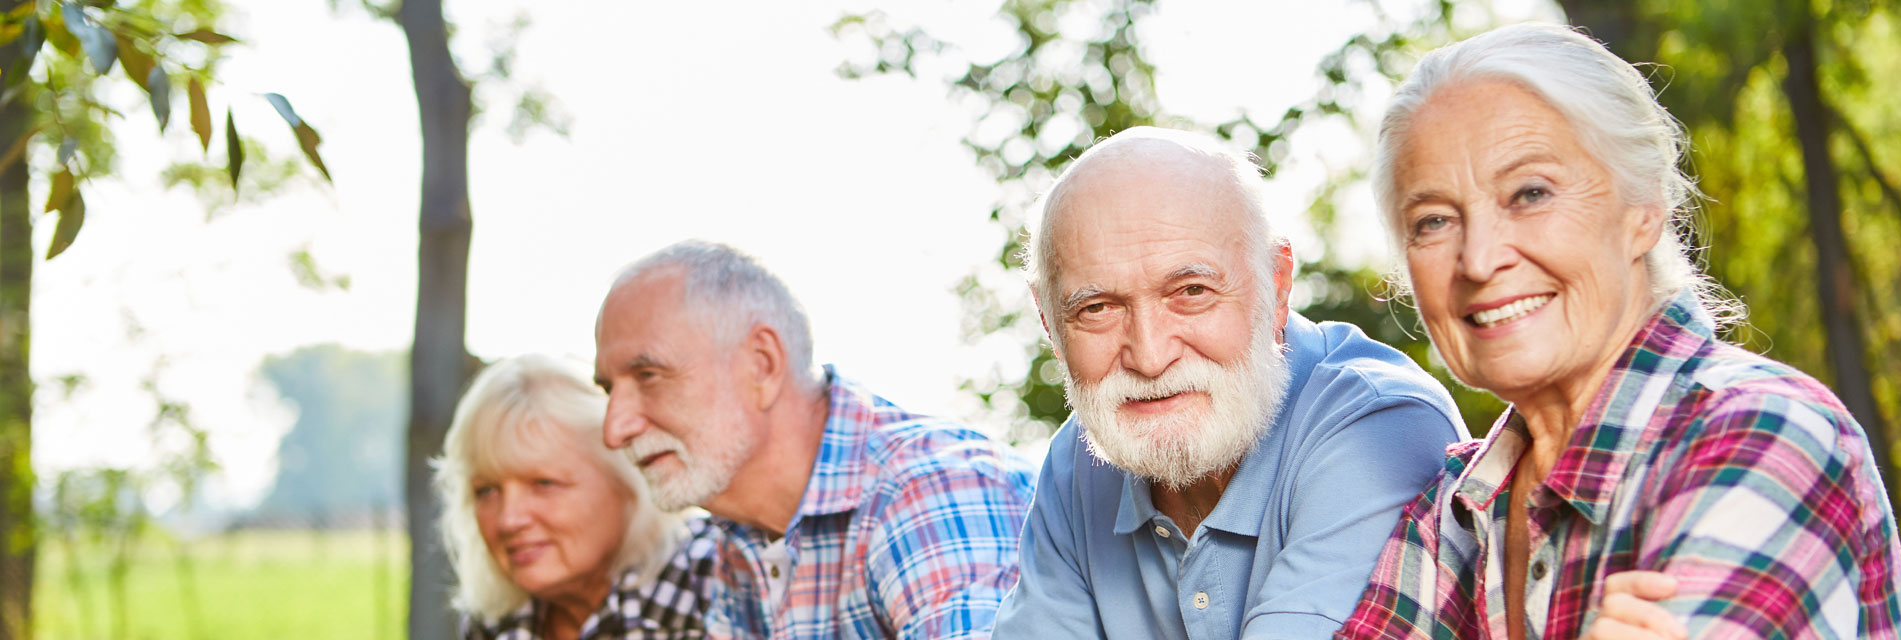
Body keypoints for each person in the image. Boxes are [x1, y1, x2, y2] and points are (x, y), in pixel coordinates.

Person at [1337, 23, 1901, 639]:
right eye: (1433, 221)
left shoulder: (1760, 432)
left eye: (1530, 193)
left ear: (1644, 211)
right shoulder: (1453, 506)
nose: (1479, 260)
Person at [990, 126, 1469, 639]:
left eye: (1192, 291)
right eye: (1097, 308)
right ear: (1050, 325)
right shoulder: (1075, 465)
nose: (1150, 358)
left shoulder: (1379, 426)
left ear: (1277, 286)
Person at [595, 241, 1038, 640]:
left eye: (648, 375)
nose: (614, 430)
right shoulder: (740, 537)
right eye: (608, 390)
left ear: (761, 365)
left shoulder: (934, 489)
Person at [435, 354, 718, 640]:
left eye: (544, 484)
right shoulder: (494, 625)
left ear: (626, 482)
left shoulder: (713, 582)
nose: (509, 519)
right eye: (486, 491)